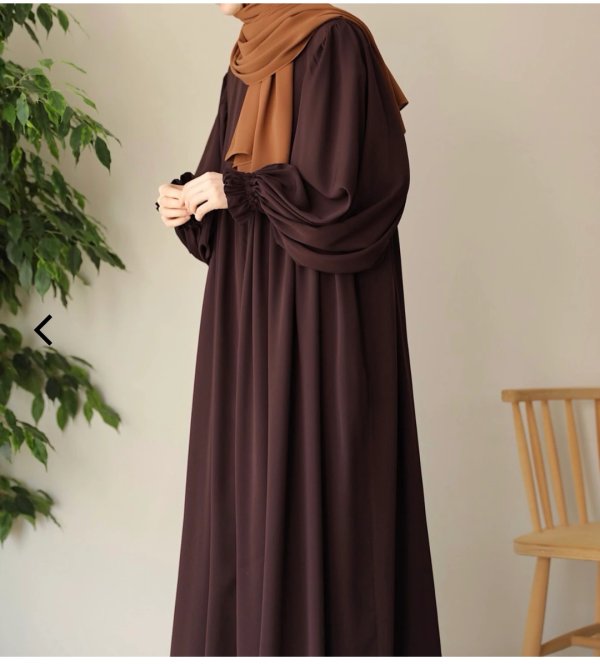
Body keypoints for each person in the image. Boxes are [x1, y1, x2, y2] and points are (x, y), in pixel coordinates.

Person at [157, 3, 441, 656]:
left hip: (320, 305)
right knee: (245, 488)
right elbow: (230, 191)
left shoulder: (334, 40)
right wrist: (188, 199)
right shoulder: (243, 59)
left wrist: (242, 192)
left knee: (329, 482)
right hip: (248, 306)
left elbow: (352, 193)